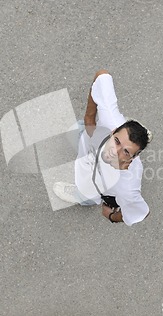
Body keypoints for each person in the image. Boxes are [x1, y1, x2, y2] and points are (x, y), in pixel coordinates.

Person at [53, 70, 152, 226]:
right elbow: (101, 76)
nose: (115, 152)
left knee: (86, 192)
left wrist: (112, 216)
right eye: (117, 141)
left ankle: (81, 197)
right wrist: (89, 118)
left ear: (132, 159)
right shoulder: (110, 120)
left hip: (98, 186)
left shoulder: (127, 187)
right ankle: (140, 134)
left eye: (126, 152)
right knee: (72, 132)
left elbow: (141, 213)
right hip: (90, 143)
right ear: (112, 132)